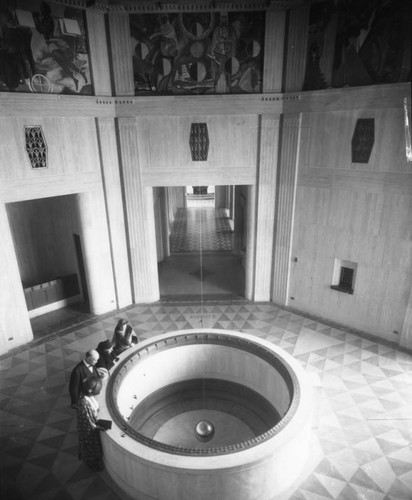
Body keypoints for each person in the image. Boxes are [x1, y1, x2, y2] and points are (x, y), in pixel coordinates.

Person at [76, 376, 106, 471]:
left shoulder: (87, 395)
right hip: (87, 430)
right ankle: (90, 463)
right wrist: (99, 427)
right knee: (89, 448)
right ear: (89, 390)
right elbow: (87, 421)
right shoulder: (84, 403)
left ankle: (94, 459)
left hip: (91, 425)